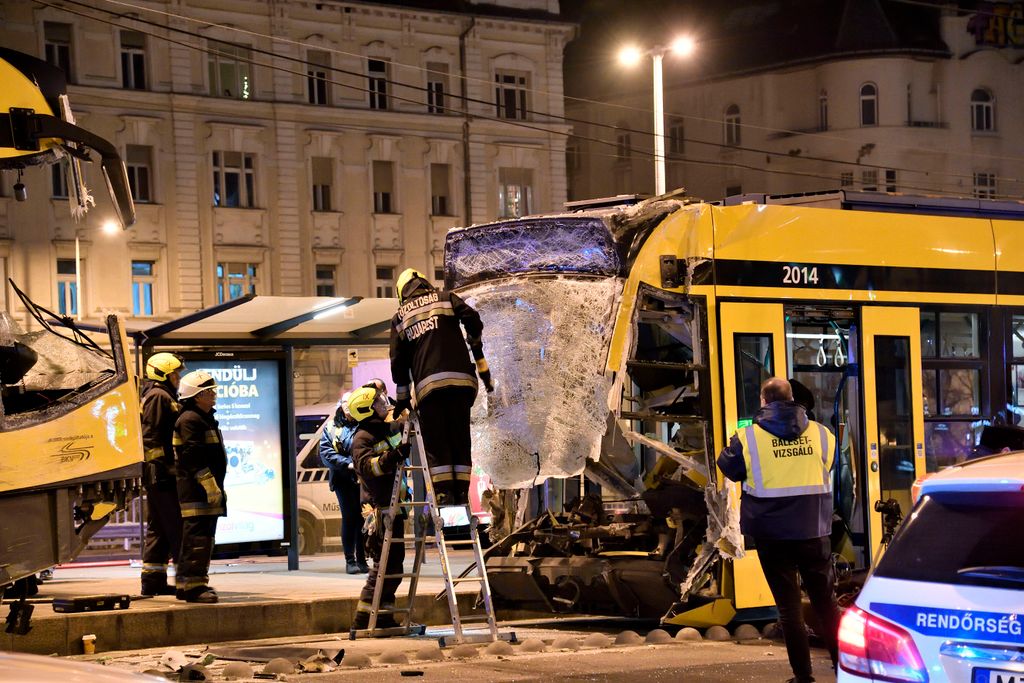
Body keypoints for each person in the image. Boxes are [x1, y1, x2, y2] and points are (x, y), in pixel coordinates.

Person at [717, 377, 840, 683]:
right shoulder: (823, 435)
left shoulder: (747, 438)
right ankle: (846, 669)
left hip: (773, 537)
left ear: (763, 401)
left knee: (789, 609)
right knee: (827, 605)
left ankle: (803, 677)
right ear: (793, 399)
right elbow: (828, 466)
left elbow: (728, 467)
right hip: (815, 531)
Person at [389, 268, 492, 505]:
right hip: (461, 385)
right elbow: (473, 318)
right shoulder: (446, 297)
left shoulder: (400, 318)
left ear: (402, 292)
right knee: (460, 439)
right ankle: (461, 494)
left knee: (438, 444)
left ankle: (445, 497)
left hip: (429, 391)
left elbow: (398, 363)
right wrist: (474, 341)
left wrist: (403, 398)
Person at [348, 384, 409, 630]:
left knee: (394, 566)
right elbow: (368, 468)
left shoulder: (385, 429)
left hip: (394, 507)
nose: (384, 403)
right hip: (378, 510)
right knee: (383, 566)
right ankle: (364, 618)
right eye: (378, 401)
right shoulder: (363, 437)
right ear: (367, 409)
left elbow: (406, 426)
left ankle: (383, 616)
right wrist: (392, 457)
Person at [173, 370, 227, 604]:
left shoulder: (201, 418)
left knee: (200, 536)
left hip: (203, 489)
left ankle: (189, 583)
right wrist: (209, 485)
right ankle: (194, 588)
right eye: (208, 391)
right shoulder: (190, 420)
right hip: (198, 491)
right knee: (199, 538)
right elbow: (192, 456)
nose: (213, 394)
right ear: (196, 396)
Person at [138, 352, 186, 596]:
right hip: (162, 474)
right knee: (177, 526)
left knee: (159, 528)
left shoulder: (158, 394)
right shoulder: (159, 396)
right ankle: (187, 582)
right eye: (175, 373)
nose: (178, 377)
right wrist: (165, 467)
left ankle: (153, 581)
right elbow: (152, 436)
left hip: (158, 473)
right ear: (164, 374)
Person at [319, 390, 368, 574]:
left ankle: (362, 559)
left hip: (362, 478)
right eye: (346, 403)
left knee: (363, 518)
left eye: (352, 402)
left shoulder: (362, 423)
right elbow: (325, 453)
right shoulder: (332, 426)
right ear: (341, 404)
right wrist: (347, 463)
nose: (349, 406)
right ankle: (350, 560)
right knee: (350, 517)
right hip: (342, 478)